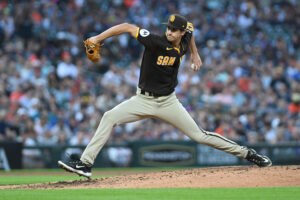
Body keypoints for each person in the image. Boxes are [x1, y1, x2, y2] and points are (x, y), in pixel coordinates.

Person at [58, 14, 272, 178]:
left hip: (168, 102)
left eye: (174, 30)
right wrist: (96, 38)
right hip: (142, 100)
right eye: (168, 28)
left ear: (180, 33)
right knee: (109, 117)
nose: (169, 32)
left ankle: (248, 154)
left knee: (199, 135)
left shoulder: (185, 38)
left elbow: (190, 30)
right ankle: (86, 164)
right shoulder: (155, 41)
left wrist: (195, 53)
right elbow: (126, 27)